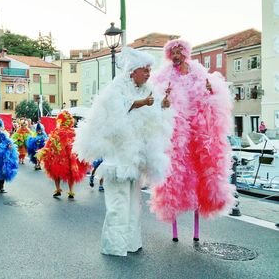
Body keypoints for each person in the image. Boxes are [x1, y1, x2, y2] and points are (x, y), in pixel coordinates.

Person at [73, 47, 173, 256]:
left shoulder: (146, 90)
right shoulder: (116, 88)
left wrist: (162, 105)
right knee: (117, 204)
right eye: (145, 70)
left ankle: (130, 242)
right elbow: (113, 111)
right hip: (117, 159)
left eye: (149, 70)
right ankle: (114, 246)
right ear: (133, 71)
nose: (148, 73)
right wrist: (140, 103)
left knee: (133, 204)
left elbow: (152, 117)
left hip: (134, 158)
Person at [149, 39, 235, 242]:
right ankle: (175, 229)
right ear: (169, 56)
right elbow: (156, 101)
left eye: (179, 52)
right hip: (176, 134)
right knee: (175, 176)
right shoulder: (164, 76)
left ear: (186, 53)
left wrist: (209, 93)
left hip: (198, 133)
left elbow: (215, 99)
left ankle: (197, 229)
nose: (176, 56)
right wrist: (165, 101)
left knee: (200, 173)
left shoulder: (199, 73)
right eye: (173, 53)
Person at [37, 110, 88, 199]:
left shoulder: (57, 131)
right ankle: (71, 191)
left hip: (58, 157)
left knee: (55, 173)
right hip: (70, 157)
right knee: (70, 174)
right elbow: (79, 144)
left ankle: (58, 189)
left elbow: (50, 144)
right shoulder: (73, 132)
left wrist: (44, 151)